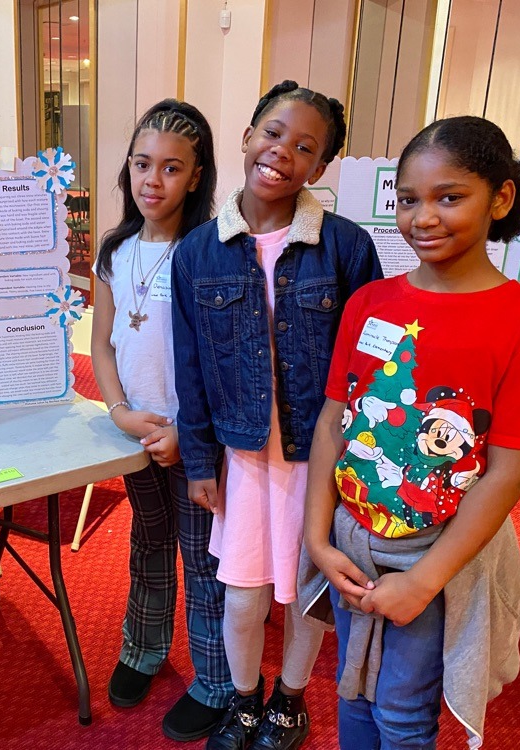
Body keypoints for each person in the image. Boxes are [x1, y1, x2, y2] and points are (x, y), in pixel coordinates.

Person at [302, 115, 520, 749]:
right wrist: (318, 539)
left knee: (403, 712)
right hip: (352, 542)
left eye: (449, 197)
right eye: (408, 199)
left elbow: (510, 467)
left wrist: (424, 580)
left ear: (501, 198)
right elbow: (333, 422)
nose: (423, 217)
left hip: (437, 553)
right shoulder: (369, 303)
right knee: (351, 689)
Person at [171, 80, 382, 750]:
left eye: (304, 147)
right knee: (243, 592)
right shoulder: (198, 251)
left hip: (318, 457)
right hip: (240, 457)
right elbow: (191, 368)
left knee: (305, 590)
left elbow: (371, 363)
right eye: (271, 132)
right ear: (246, 135)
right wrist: (200, 461)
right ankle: (243, 699)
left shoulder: (345, 246)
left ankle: (290, 701)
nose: (281, 152)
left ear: (319, 168)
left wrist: (361, 460)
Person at [92, 98, 235, 741]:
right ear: (128, 168)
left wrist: (186, 433)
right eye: (143, 164)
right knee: (147, 545)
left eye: (172, 168)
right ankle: (143, 650)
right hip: (135, 432)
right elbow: (102, 343)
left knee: (203, 559)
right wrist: (119, 410)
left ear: (197, 176)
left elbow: (220, 357)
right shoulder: (116, 249)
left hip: (192, 439)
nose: (154, 180)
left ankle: (214, 681)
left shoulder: (209, 251)